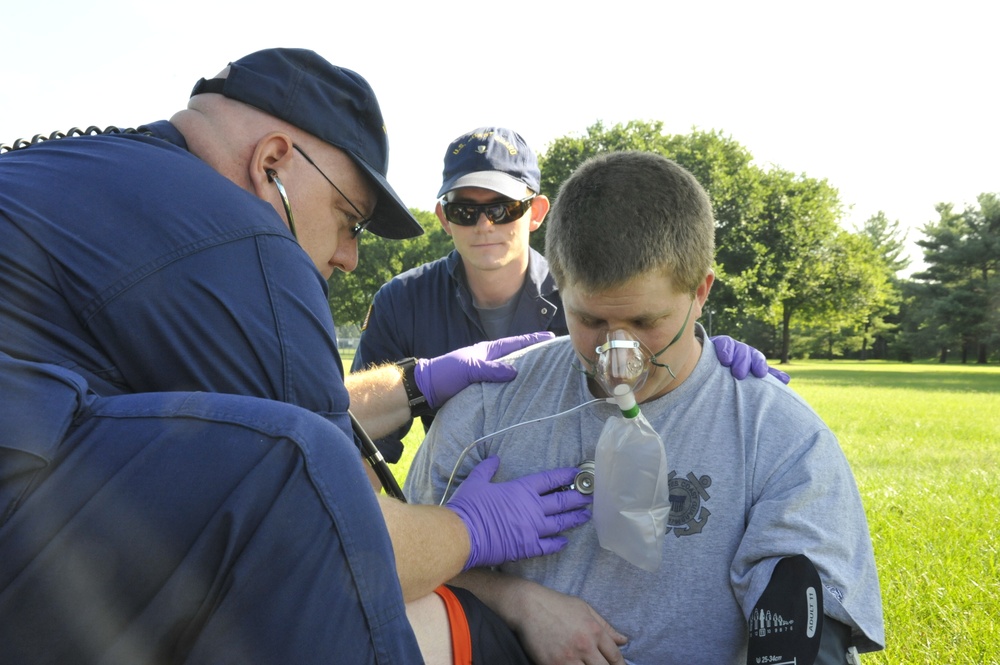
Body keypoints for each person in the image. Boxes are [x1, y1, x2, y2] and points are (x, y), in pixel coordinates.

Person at [0, 48, 591, 664]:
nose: (349, 256)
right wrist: (473, 530)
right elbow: (352, 537)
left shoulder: (89, 172)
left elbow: (252, 408)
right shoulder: (246, 241)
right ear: (273, 161)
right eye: (349, 219)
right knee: (299, 475)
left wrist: (415, 384)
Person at [405, 152, 885, 664]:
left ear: (700, 291)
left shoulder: (776, 432)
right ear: (559, 287)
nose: (618, 353)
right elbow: (397, 569)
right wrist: (517, 602)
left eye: (643, 321)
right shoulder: (490, 403)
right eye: (589, 321)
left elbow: (801, 628)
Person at [353, 126, 785, 464]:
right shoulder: (401, 301)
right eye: (465, 210)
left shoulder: (589, 294)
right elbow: (357, 440)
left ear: (537, 212)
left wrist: (705, 361)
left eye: (503, 209)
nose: (484, 225)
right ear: (443, 218)